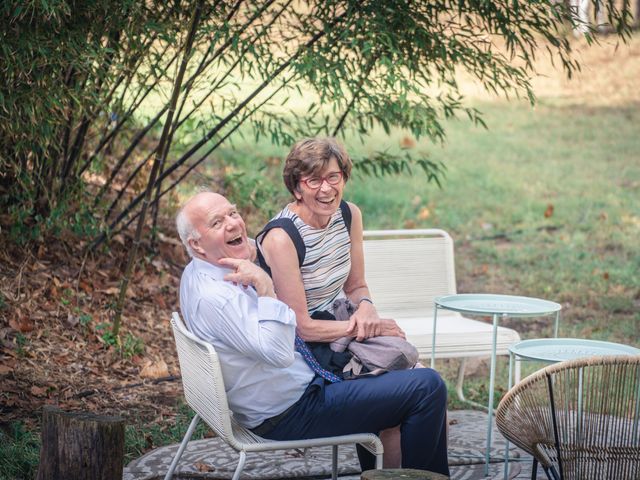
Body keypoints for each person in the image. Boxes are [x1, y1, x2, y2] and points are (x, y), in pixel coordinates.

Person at [176, 191, 449, 475]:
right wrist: (266, 287)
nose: (233, 224)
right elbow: (280, 354)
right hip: (291, 411)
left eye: (233, 213)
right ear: (196, 243)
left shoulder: (199, 271)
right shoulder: (218, 298)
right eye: (217, 223)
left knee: (390, 372)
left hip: (294, 388)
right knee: (426, 387)